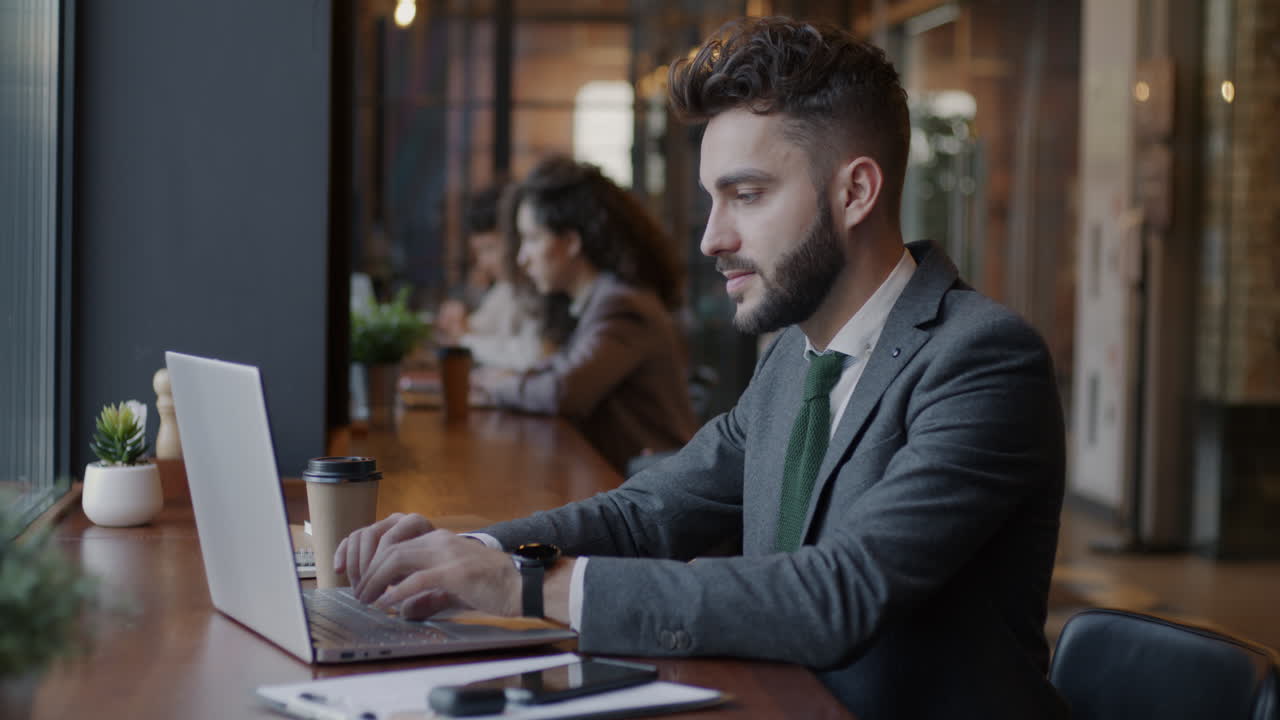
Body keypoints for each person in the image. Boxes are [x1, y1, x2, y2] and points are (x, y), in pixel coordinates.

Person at [335, 17, 1068, 720]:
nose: (714, 238)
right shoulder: (794, 356)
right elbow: (648, 512)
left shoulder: (982, 361)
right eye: (713, 200)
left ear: (855, 192)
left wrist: (523, 584)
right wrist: (476, 550)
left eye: (746, 196)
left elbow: (835, 596)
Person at [471, 155, 697, 471]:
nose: (523, 258)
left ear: (571, 243)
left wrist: (495, 386)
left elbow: (563, 391)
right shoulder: (601, 300)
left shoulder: (622, 305)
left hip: (653, 491)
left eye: (533, 239)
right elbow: (560, 371)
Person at [436, 185, 544, 371]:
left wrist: (464, 337)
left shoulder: (542, 290)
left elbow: (530, 357)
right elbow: (476, 328)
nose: (483, 263)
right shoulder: (506, 289)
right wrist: (459, 323)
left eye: (489, 248)